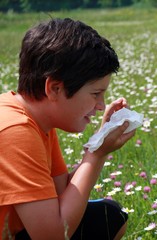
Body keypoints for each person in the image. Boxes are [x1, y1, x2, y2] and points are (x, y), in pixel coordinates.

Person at [0, 18, 135, 239]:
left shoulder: (36, 120)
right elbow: (53, 236)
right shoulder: (15, 130)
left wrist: (100, 140)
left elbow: (60, 192)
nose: (101, 106)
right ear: (54, 88)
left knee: (109, 217)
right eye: (95, 94)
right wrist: (96, 154)